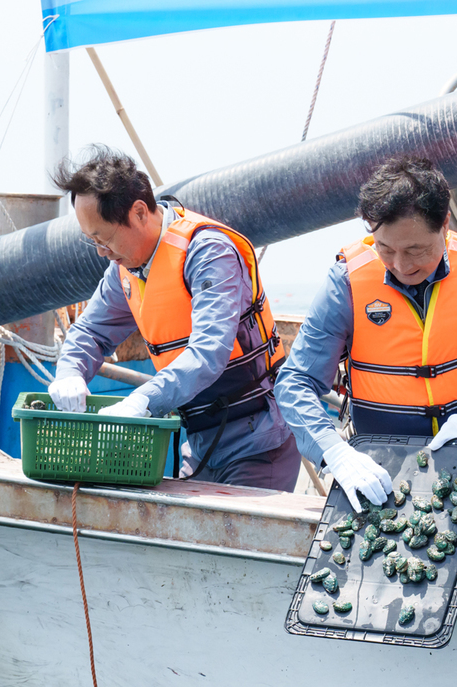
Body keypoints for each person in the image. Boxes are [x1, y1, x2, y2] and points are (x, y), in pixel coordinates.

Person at [274, 156, 457, 512]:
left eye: (416, 250)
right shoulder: (346, 283)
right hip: (376, 478)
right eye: (385, 249)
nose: (401, 265)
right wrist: (334, 452)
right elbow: (295, 382)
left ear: (444, 224)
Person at [46, 146, 300, 490]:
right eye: (90, 240)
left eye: (103, 238)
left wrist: (142, 401)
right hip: (199, 443)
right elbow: (90, 332)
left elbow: (209, 352)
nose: (101, 251)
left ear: (138, 213)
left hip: (258, 439)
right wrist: (69, 372)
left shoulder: (209, 252)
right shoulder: (122, 270)